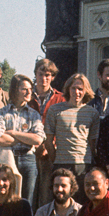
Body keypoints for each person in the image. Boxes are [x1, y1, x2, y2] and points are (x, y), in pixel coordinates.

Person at [44, 73, 102, 199]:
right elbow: (48, 141)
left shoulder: (92, 113)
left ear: (85, 91)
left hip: (83, 164)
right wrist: (56, 159)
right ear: (68, 89)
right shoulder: (55, 110)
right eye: (74, 88)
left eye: (80, 89)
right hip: (61, 163)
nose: (77, 92)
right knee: (61, 201)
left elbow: (92, 143)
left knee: (82, 202)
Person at [0, 74, 46, 205]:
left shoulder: (34, 114)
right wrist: (26, 138)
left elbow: (38, 139)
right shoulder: (2, 113)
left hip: (28, 160)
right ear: (15, 90)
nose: (29, 92)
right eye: (24, 89)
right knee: (7, 199)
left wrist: (12, 133)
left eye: (30, 88)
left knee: (28, 201)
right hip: (8, 159)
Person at [29, 58, 65, 208]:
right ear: (35, 74)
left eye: (48, 75)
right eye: (40, 74)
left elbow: (62, 126)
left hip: (50, 153)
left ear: (52, 77)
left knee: (46, 195)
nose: (43, 79)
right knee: (29, 194)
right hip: (29, 151)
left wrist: (49, 145)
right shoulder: (26, 97)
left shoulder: (60, 98)